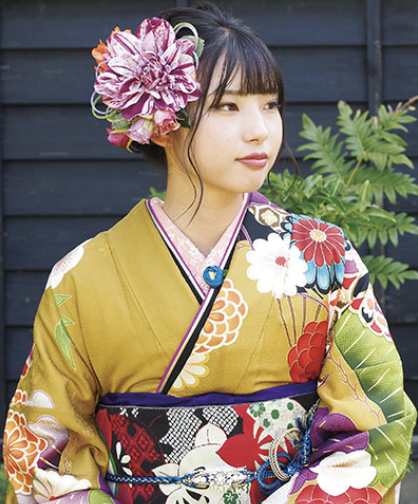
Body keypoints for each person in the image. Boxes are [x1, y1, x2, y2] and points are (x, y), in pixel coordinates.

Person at [2, 3, 416, 504]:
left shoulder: (325, 257)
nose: (260, 129)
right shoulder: (82, 276)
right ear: (161, 121)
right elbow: (43, 452)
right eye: (227, 106)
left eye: (270, 104)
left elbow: (377, 423)